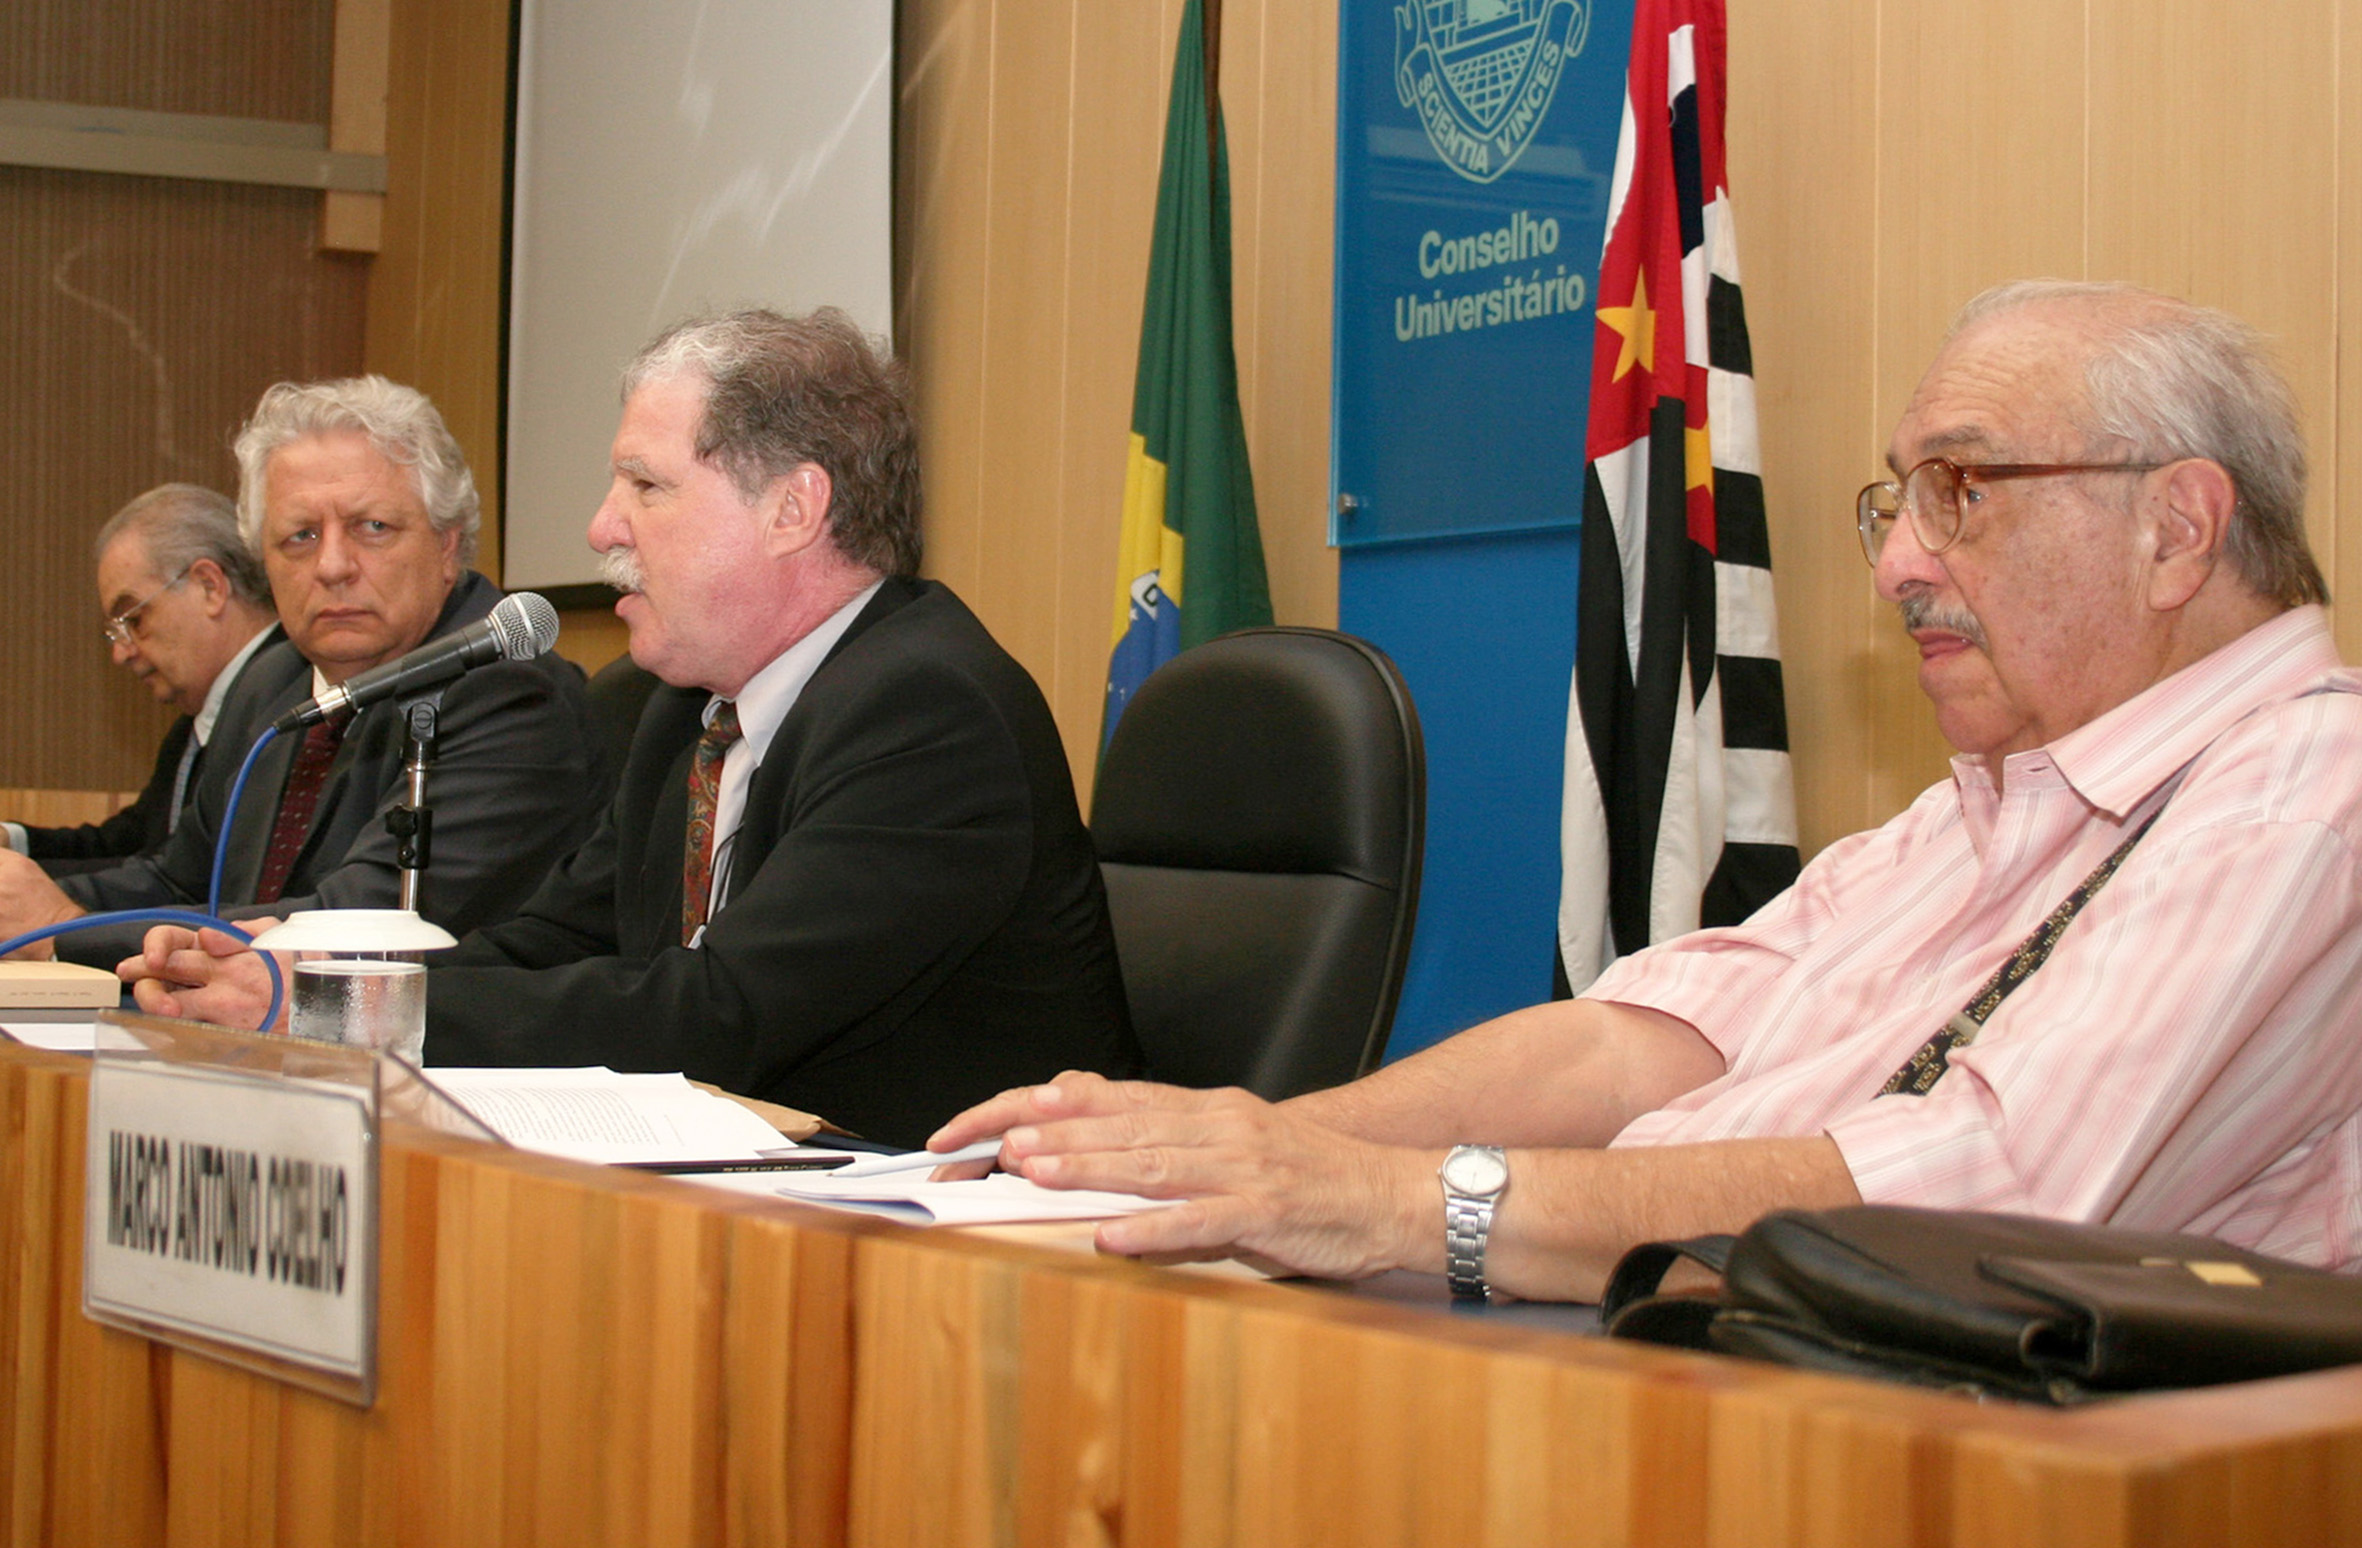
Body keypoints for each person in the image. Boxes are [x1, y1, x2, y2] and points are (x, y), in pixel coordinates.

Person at [931, 280, 2362, 1297]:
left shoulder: (2307, 792)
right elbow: (1635, 1046)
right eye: (1902, 499)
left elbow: (1985, 1187)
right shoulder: (1984, 804)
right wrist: (1243, 1151)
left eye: (1963, 492)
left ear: (2176, 531)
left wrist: (1397, 1203)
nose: (1896, 566)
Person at [125, 308, 1138, 1148]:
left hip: (960, 1253)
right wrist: (316, 981)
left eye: (645, 486)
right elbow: (548, 941)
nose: (601, 527)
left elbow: (720, 1013)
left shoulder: (926, 713)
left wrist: (338, 1017)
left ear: (793, 509)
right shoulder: (682, 713)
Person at [0, 377, 599, 965]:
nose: (333, 565)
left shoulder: (512, 693)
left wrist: (63, 931)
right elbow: (183, 883)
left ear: (447, 546)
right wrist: (29, 905)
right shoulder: (271, 680)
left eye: (373, 528)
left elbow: (359, 922)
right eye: (300, 536)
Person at [4, 485, 277, 871]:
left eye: (134, 619)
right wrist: (11, 842)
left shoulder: (285, 709)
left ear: (209, 587)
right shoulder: (196, 724)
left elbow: (178, 880)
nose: (121, 653)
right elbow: (128, 843)